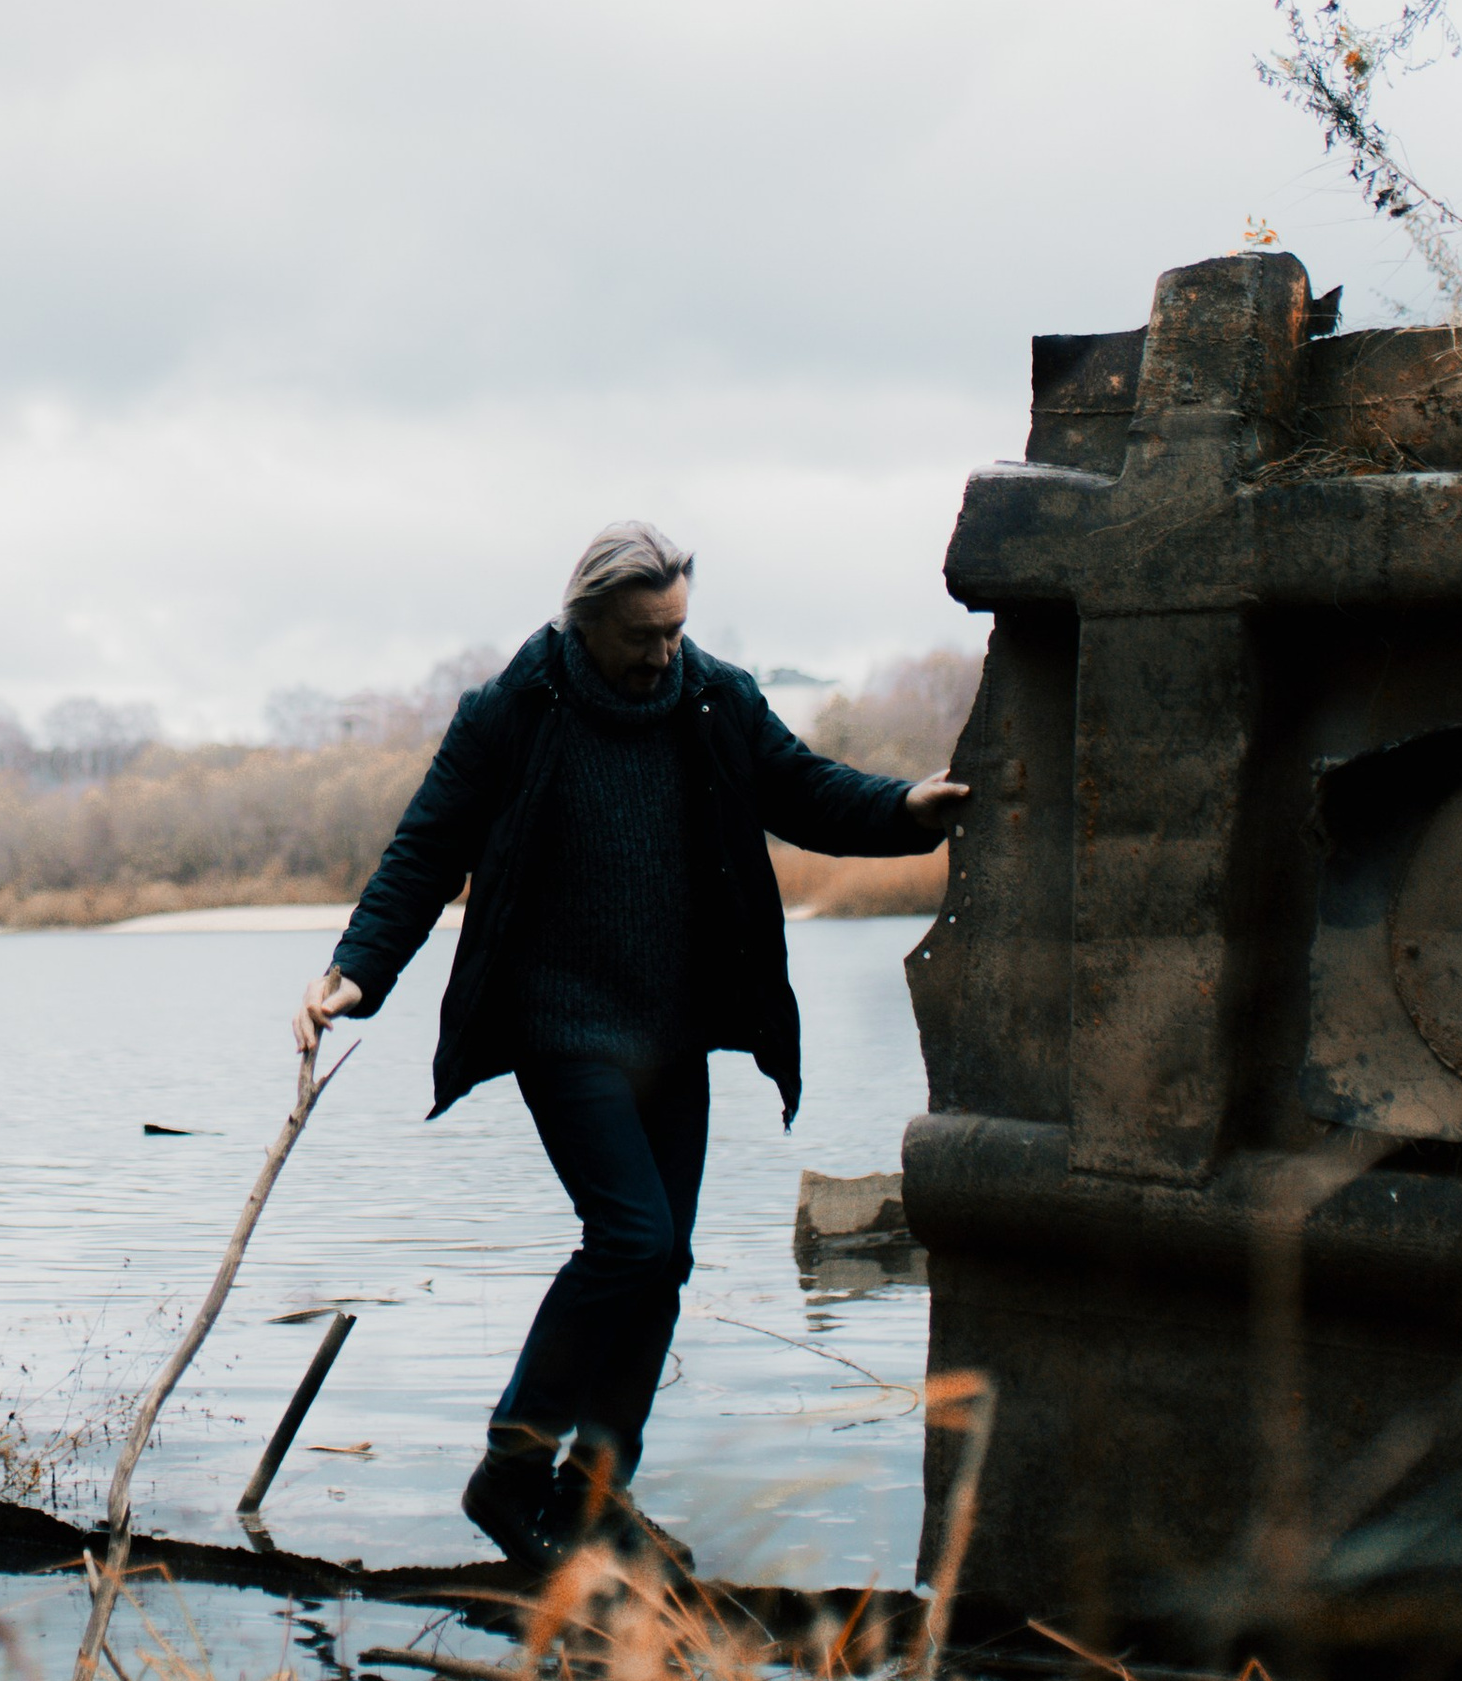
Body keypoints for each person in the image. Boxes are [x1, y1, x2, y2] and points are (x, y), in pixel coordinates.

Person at [294, 523, 967, 1575]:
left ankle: (596, 1496)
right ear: (586, 621)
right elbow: (428, 842)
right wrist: (355, 970)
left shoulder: (712, 697)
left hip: (671, 1030)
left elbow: (800, 790)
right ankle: (511, 1476)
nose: (661, 655)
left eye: (675, 632)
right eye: (641, 636)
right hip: (560, 1025)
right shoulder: (516, 706)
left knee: (664, 1266)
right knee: (630, 1243)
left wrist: (907, 811)